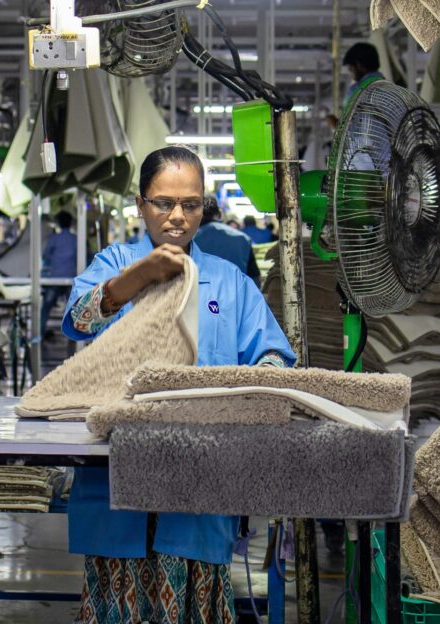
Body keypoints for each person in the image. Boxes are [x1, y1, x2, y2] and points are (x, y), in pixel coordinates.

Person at [61, 146, 295, 623]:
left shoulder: (228, 282)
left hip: (199, 473)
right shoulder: (114, 263)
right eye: (163, 203)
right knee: (118, 596)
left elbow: (273, 355)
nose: (177, 216)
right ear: (140, 205)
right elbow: (79, 320)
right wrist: (134, 279)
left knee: (192, 600)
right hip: (118, 466)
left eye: (190, 204)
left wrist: (254, 389)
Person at [194, 195, 261, 285]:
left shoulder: (188, 240)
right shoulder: (242, 238)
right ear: (219, 214)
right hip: (236, 291)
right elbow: (255, 278)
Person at [328, 42, 385, 129]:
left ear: (359, 65)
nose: (351, 72)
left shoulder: (356, 90)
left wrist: (335, 124)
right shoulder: (388, 86)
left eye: (351, 68)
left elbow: (347, 128)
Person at [40, 211, 78, 332]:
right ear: (71, 223)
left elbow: (45, 255)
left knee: (46, 307)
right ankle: (73, 335)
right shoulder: (75, 239)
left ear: (59, 223)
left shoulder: (54, 238)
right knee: (73, 309)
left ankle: (40, 332)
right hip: (71, 278)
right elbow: (85, 255)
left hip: (55, 279)